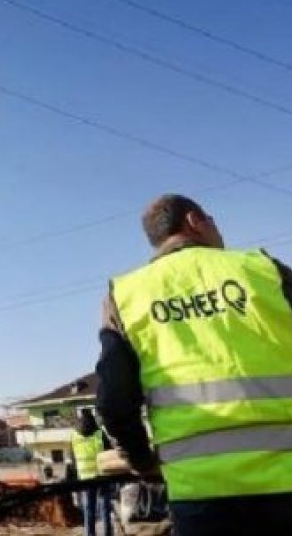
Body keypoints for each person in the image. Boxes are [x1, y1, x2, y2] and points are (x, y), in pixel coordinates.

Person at [97, 193, 292, 535]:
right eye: (213, 221)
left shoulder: (126, 295)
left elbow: (113, 402)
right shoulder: (263, 270)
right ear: (193, 221)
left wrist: (145, 465)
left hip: (198, 495)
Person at [70, 408, 113, 536]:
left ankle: (90, 534)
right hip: (102, 477)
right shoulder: (100, 433)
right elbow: (109, 453)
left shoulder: (74, 436)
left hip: (85, 478)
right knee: (104, 509)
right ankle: (107, 533)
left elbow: (72, 459)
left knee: (88, 509)